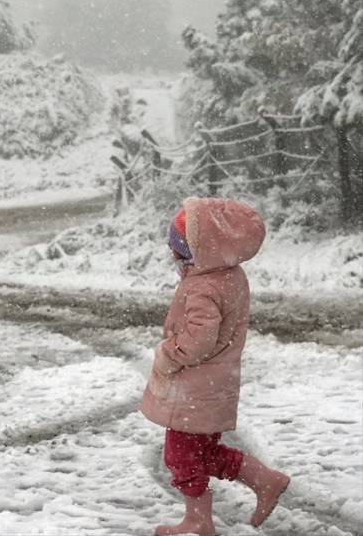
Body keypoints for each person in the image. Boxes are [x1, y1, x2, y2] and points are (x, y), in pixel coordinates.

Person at [141, 198, 291, 536]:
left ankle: (198, 521)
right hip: (214, 386)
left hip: (194, 388)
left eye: (179, 253)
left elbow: (199, 339)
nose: (176, 260)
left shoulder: (203, 286)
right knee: (203, 453)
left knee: (181, 457)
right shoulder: (229, 275)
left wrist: (168, 352)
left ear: (198, 251)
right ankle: (264, 480)